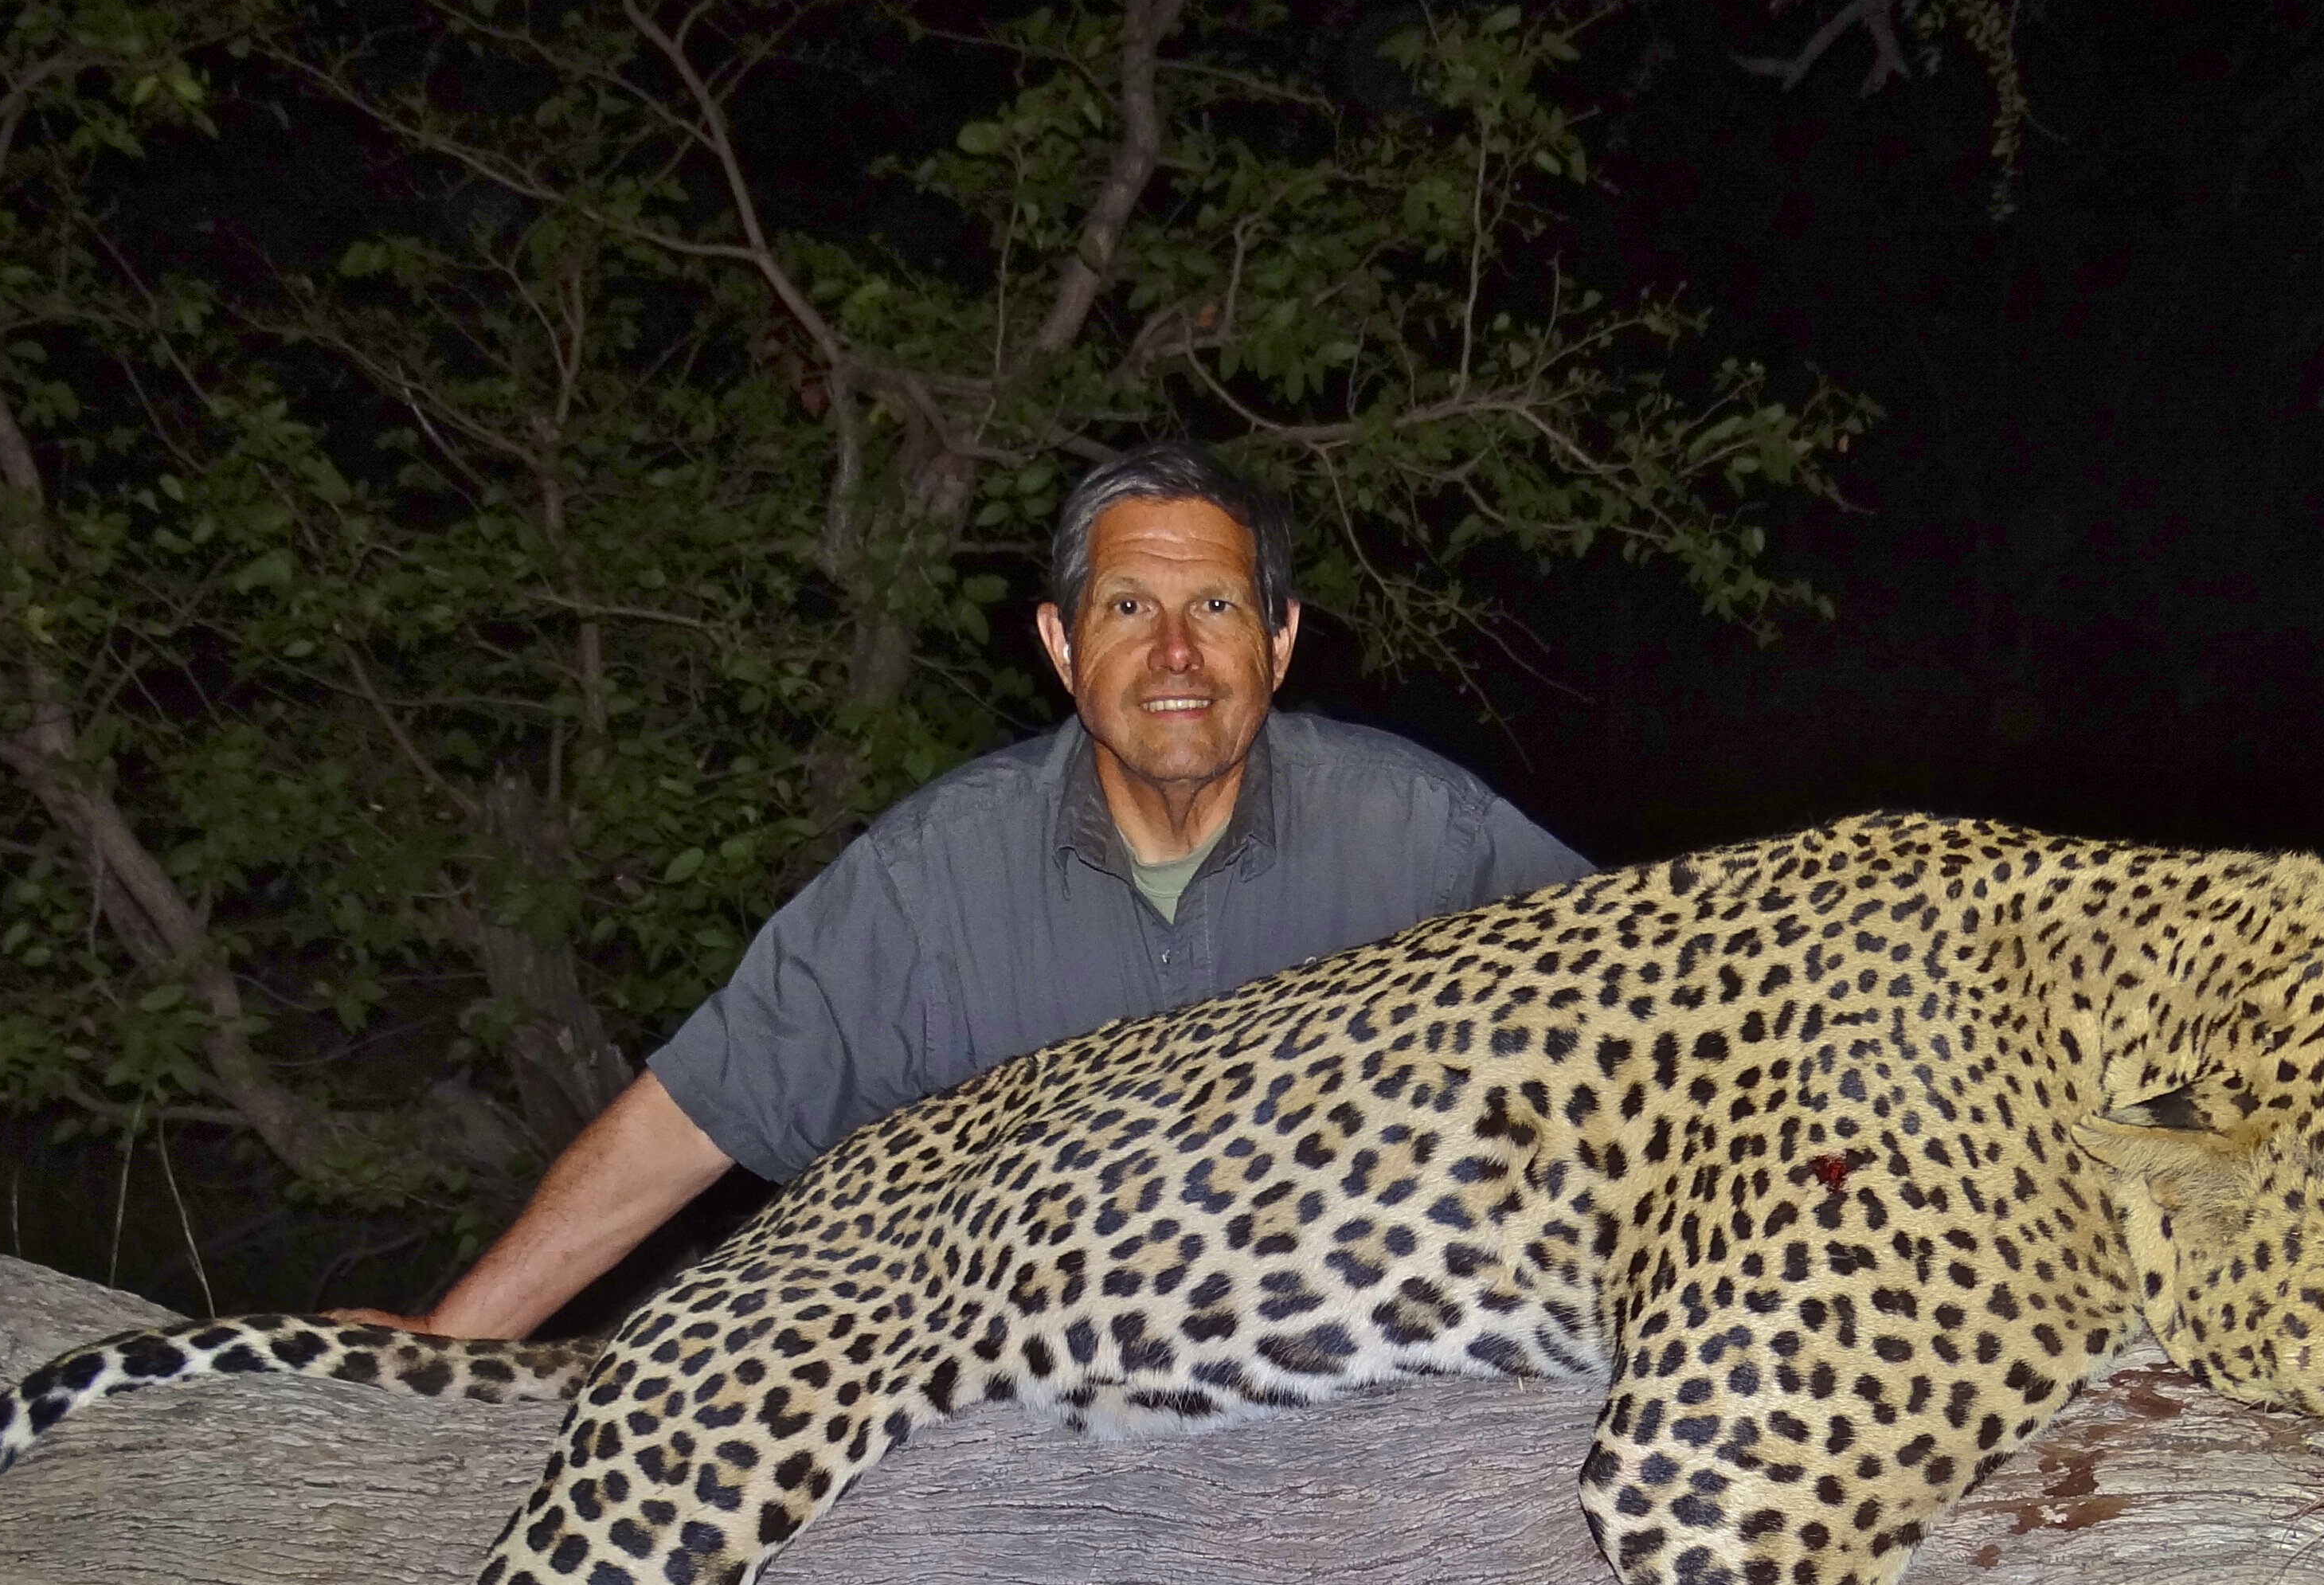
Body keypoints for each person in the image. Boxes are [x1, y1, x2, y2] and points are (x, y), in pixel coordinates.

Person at [358, 443, 1590, 1339]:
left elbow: (1668, 1008)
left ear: (1277, 642)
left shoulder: (1427, 838)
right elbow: (692, 1119)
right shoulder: (927, 880)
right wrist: (454, 1337)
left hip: (1369, 1409)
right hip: (1037, 1442)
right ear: (1063, 646)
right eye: (1128, 608)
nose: (1175, 653)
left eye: (1215, 606)